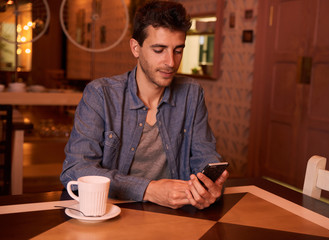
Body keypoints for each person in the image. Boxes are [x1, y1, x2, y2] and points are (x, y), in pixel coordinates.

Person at [60, 0, 229, 210]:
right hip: (113, 212)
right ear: (135, 48)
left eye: (178, 50)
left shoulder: (191, 94)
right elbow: (76, 170)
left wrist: (208, 186)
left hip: (174, 216)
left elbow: (205, 155)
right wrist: (149, 189)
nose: (171, 62)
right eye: (159, 50)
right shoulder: (101, 94)